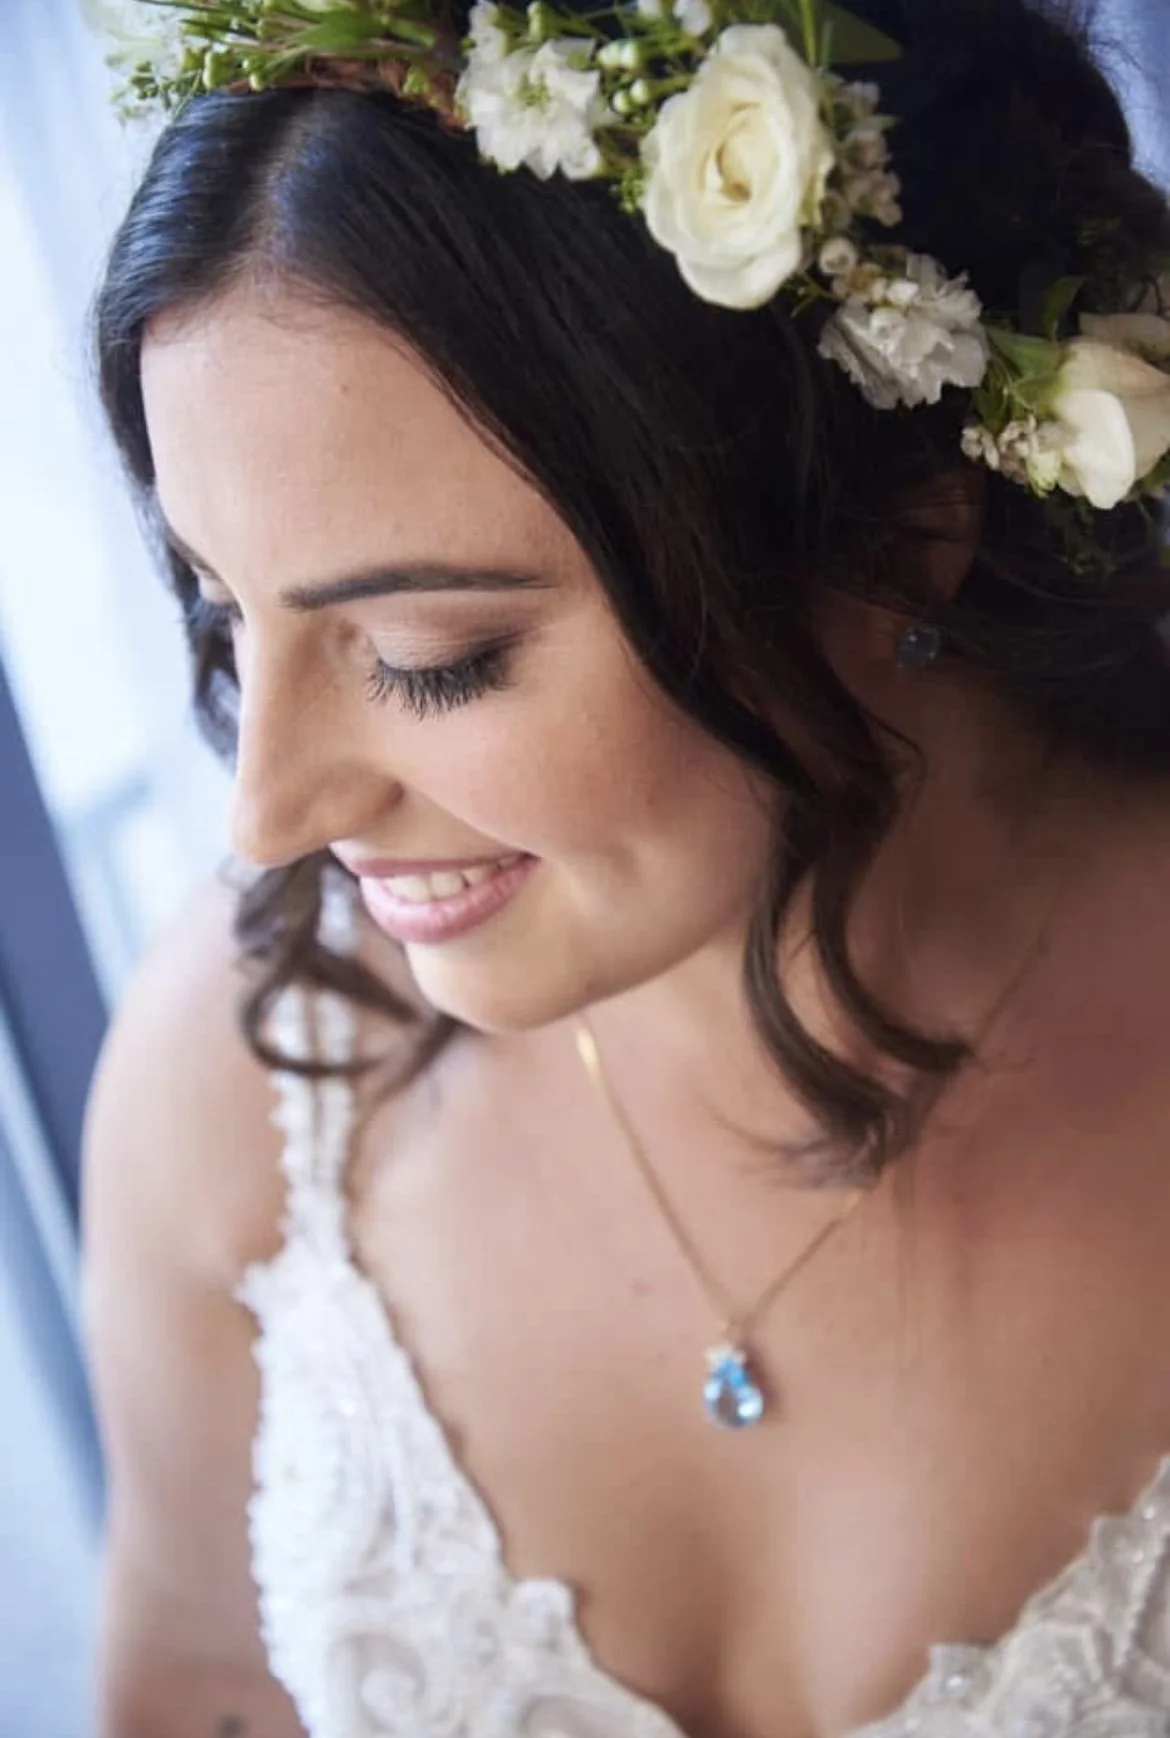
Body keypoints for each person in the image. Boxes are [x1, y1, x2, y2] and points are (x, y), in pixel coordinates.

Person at [80, 0, 1170, 1732]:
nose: (267, 815)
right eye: (223, 607)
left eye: (432, 654)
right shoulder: (251, 1058)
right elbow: (201, 1673)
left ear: (892, 540)